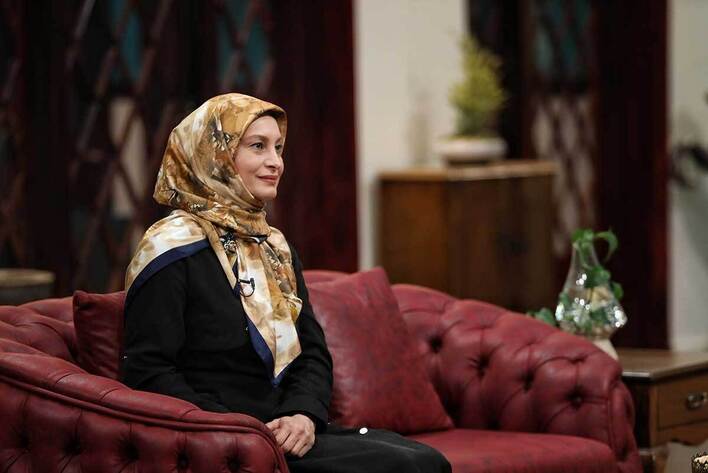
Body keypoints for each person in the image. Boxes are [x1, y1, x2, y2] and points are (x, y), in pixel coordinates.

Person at [121, 93, 451, 473]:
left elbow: (312, 352)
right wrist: (237, 430)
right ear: (215, 156)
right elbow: (149, 371)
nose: (275, 162)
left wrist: (303, 414)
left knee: (425, 459)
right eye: (257, 146)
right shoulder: (170, 249)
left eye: (278, 147)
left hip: (289, 433)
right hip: (225, 443)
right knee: (412, 467)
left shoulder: (273, 247)